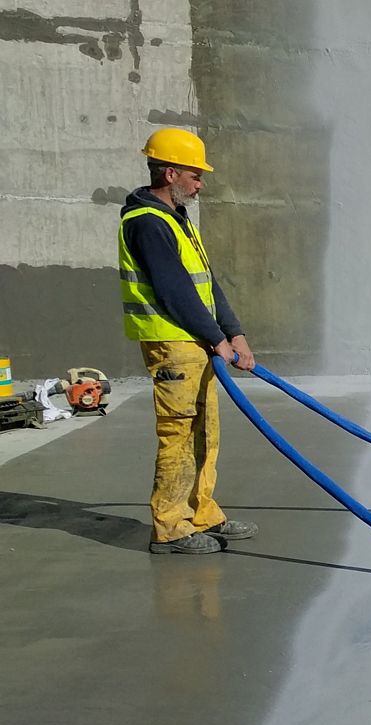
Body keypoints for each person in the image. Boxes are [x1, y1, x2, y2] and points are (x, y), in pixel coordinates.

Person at [119, 127, 258, 554]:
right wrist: (216, 339)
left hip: (196, 342)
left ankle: (201, 514)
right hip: (173, 344)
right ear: (170, 172)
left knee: (205, 431)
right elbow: (173, 289)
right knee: (178, 435)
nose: (200, 184)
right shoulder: (146, 222)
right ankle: (171, 529)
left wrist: (235, 332)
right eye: (195, 176)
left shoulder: (175, 219)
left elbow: (206, 283)